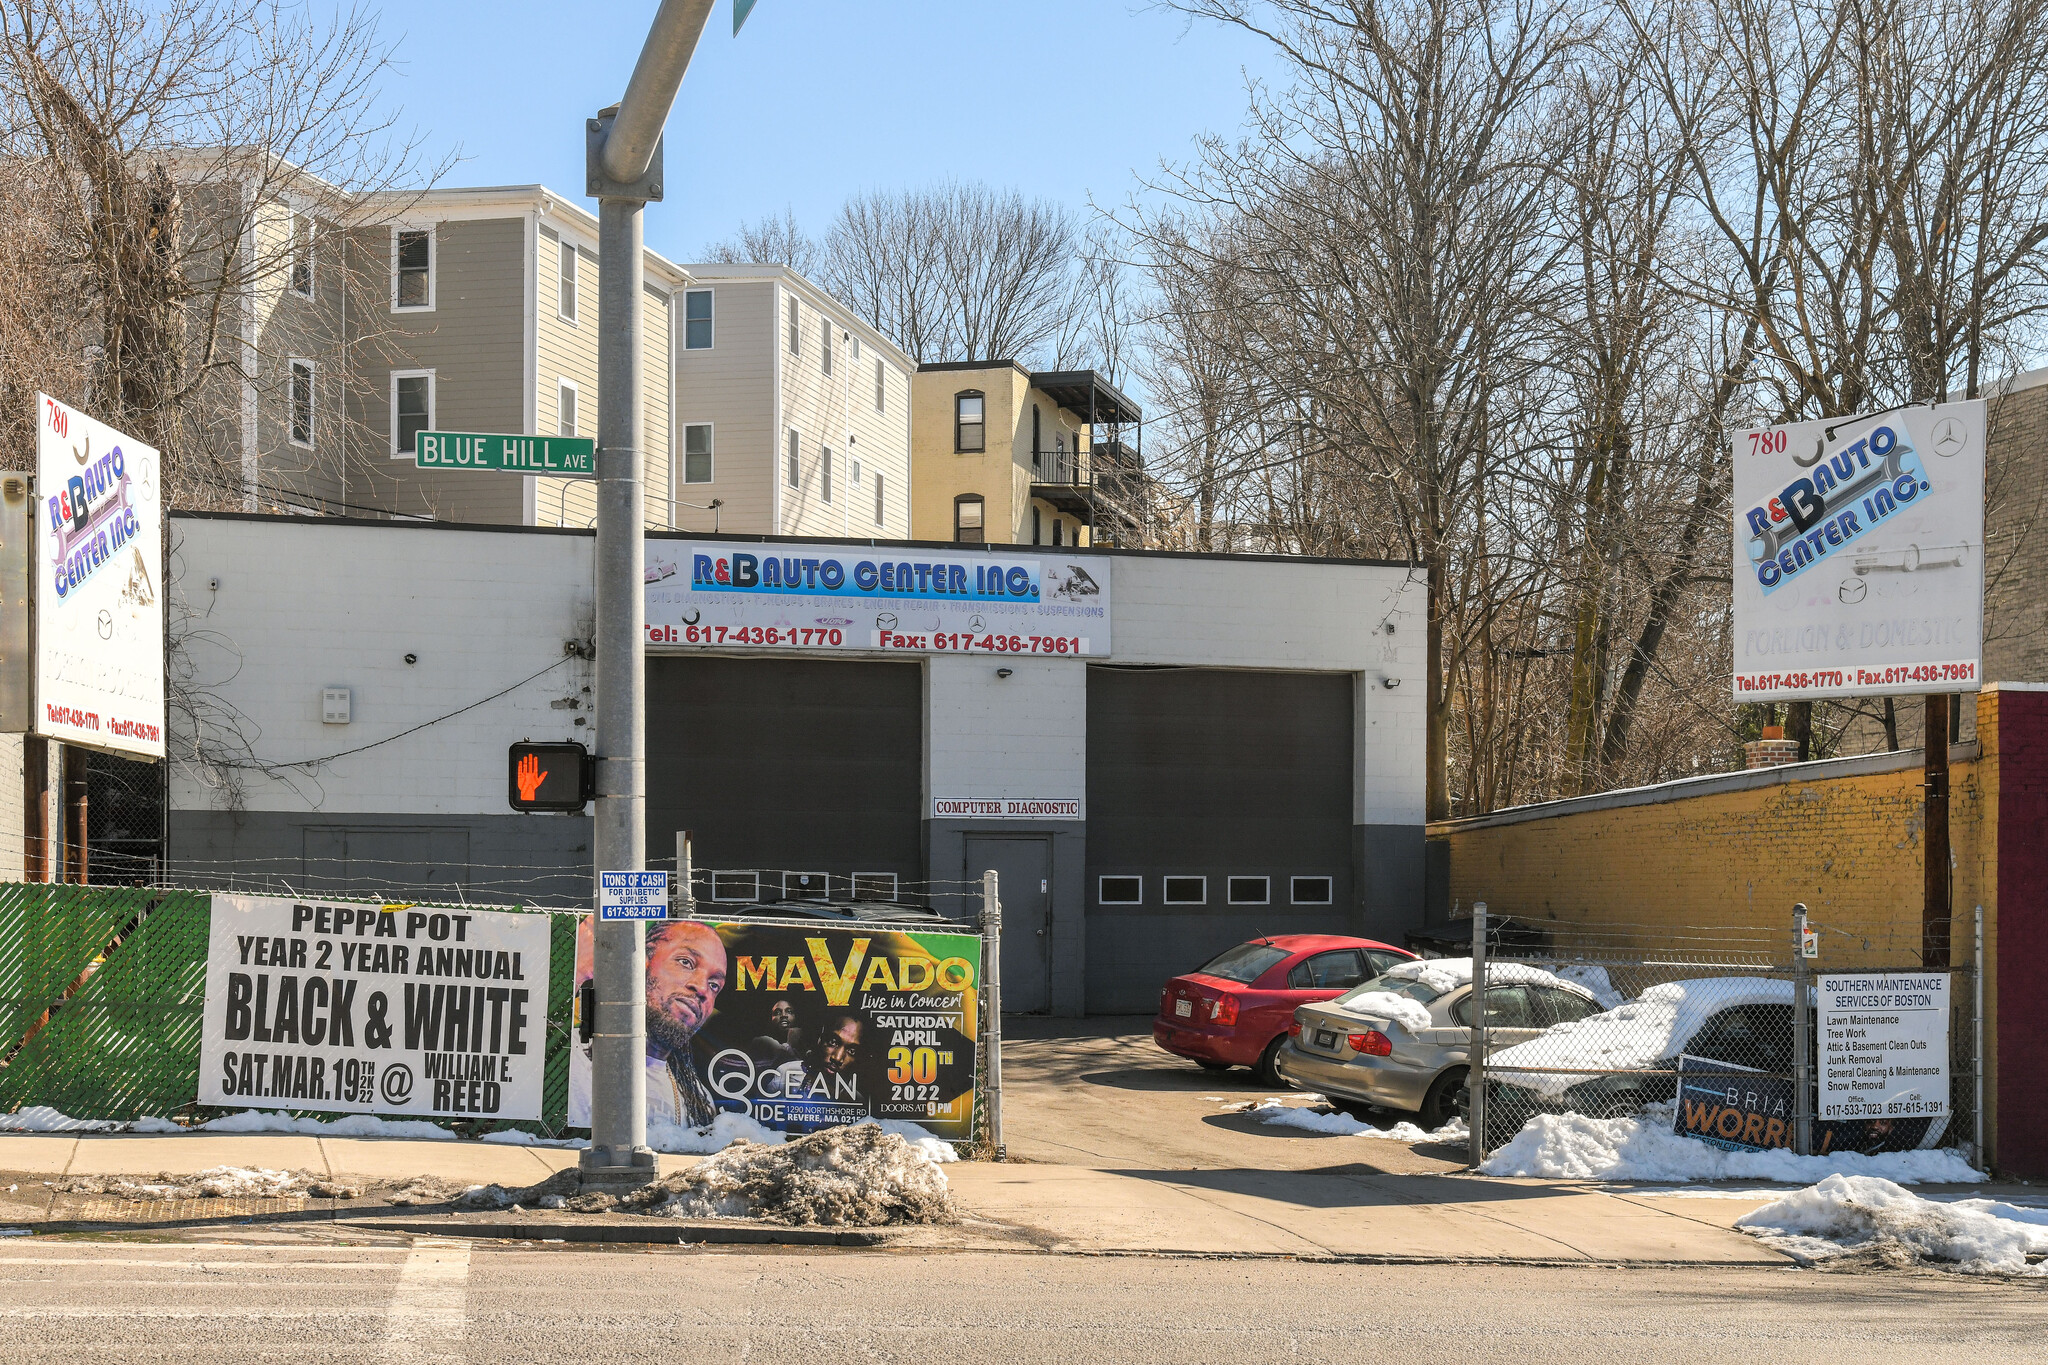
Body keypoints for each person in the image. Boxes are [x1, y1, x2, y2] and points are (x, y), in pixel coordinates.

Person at [643, 920, 728, 1129]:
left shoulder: (700, 1101)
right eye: (686, 962)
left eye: (714, 985)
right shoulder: (579, 1064)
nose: (701, 989)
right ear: (643, 961)